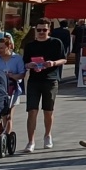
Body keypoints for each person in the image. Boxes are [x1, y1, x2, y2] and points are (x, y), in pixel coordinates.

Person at [21, 22, 66, 153]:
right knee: (32, 111)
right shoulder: (30, 45)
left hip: (50, 80)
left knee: (48, 111)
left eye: (44, 30)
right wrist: (29, 65)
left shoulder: (56, 42)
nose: (41, 32)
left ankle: (47, 135)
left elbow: (63, 59)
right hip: (34, 81)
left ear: (49, 30)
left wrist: (53, 63)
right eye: (39, 29)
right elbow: (24, 62)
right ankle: (31, 141)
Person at [0, 34, 26, 147]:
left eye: (1, 48)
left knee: (7, 115)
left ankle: (7, 139)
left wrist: (12, 76)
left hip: (11, 89)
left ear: (9, 47)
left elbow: (22, 74)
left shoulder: (17, 58)